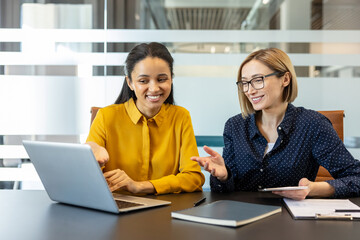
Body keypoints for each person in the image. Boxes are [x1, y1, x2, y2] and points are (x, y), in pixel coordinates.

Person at [191, 48, 360, 200]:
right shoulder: (235, 126)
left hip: (290, 222)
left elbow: (356, 178)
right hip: (243, 221)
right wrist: (223, 177)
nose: (250, 90)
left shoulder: (312, 125)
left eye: (258, 80)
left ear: (285, 79)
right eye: (245, 83)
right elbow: (224, 193)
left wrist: (314, 189)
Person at [87, 42, 204, 195]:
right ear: (129, 82)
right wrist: (90, 155)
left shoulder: (181, 117)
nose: (154, 88)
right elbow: (89, 178)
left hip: (165, 210)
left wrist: (141, 186)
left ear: (171, 79)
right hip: (118, 209)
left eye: (162, 79)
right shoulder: (106, 117)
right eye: (143, 81)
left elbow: (193, 178)